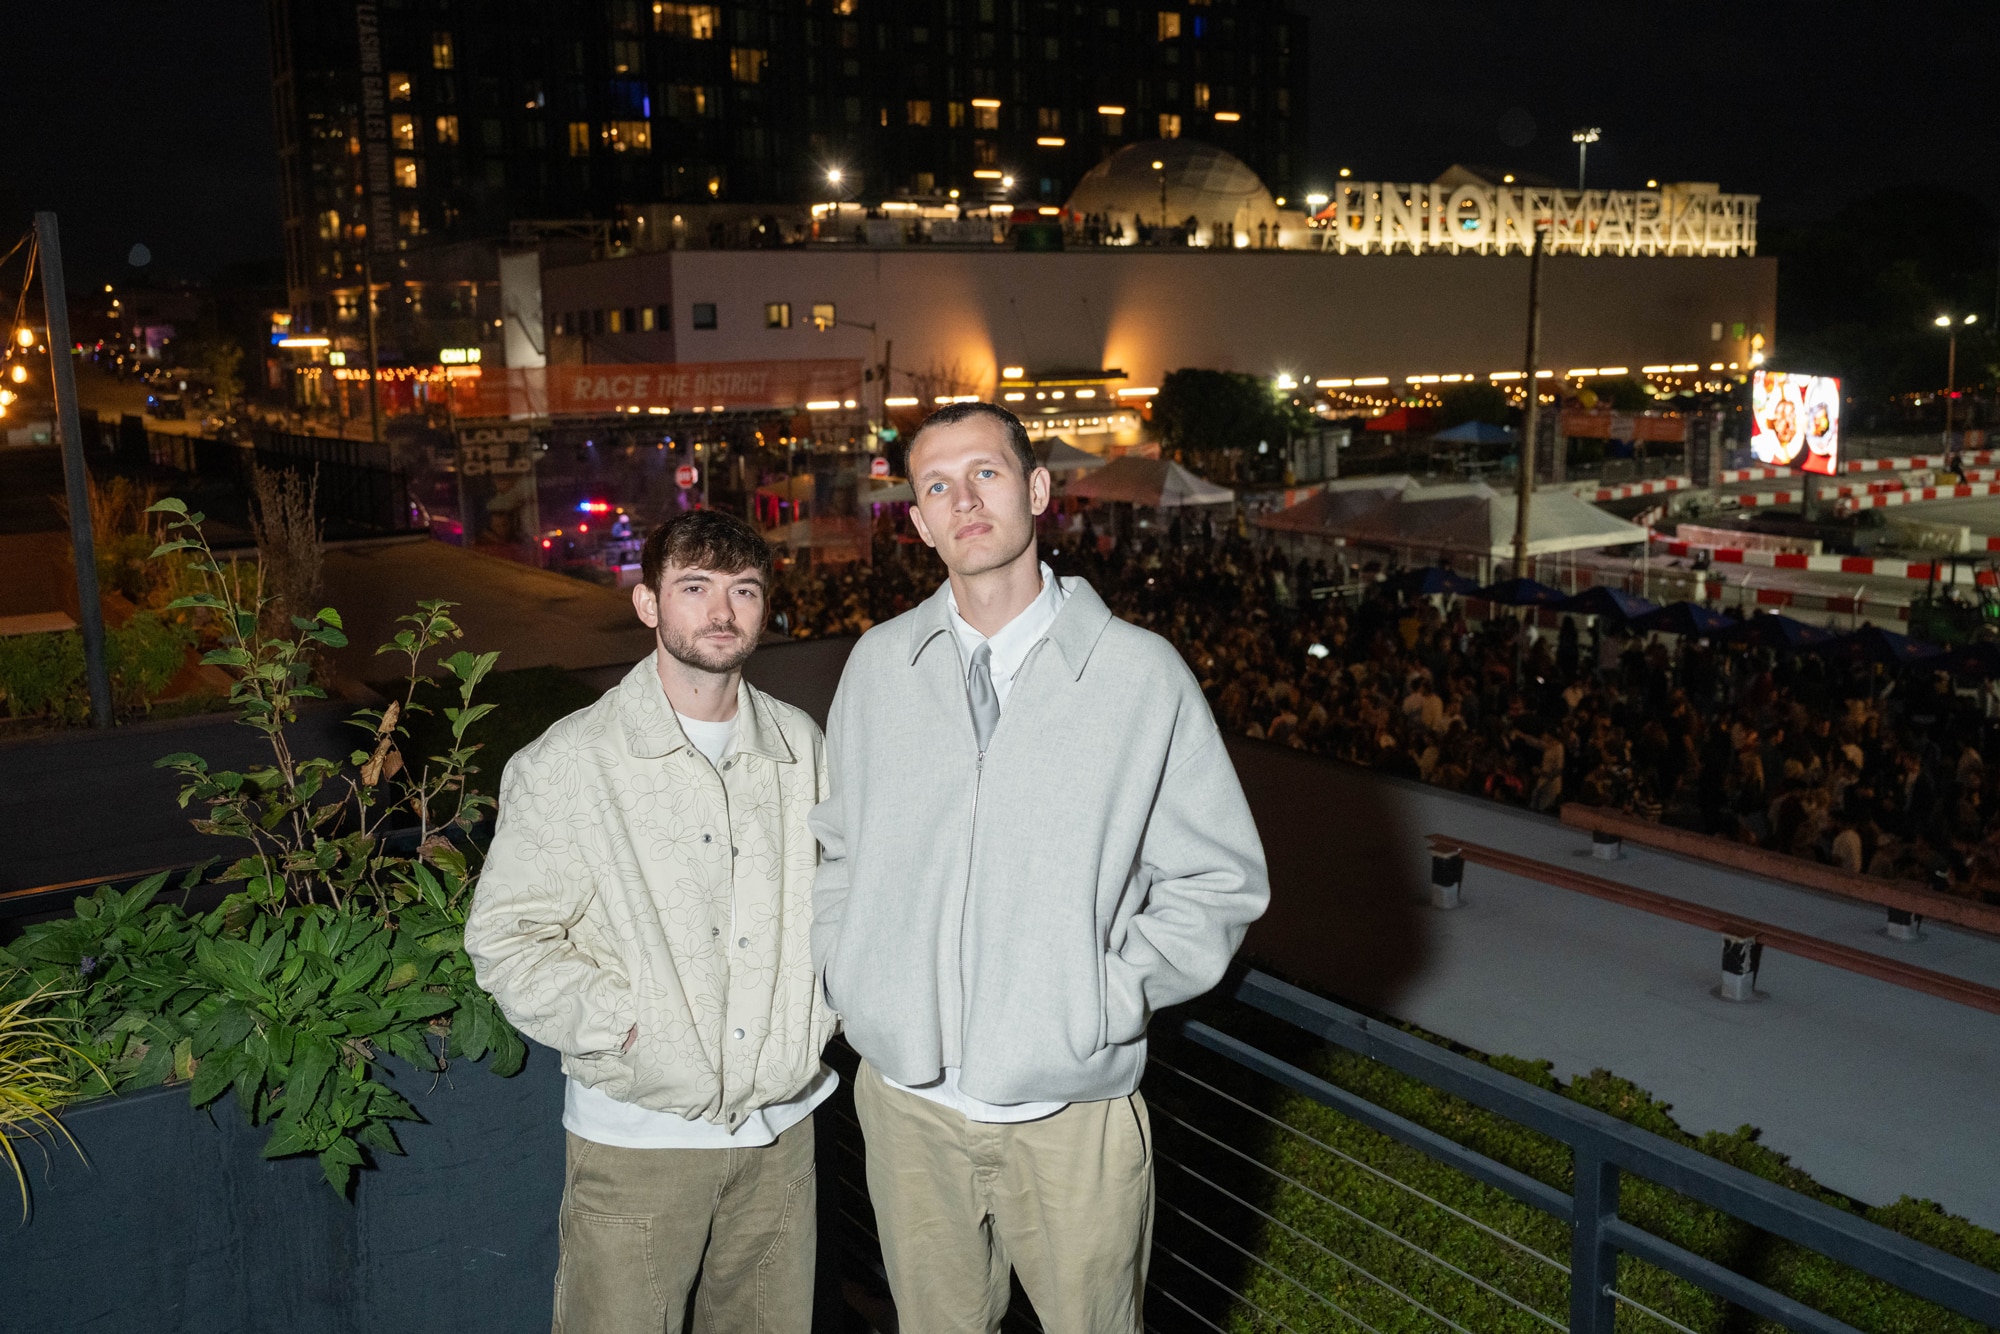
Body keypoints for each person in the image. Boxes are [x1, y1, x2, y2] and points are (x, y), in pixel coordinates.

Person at [810, 401, 1269, 1334]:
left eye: (985, 473)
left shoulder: (1141, 676)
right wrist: (850, 978)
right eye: (937, 485)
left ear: (1038, 490)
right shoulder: (879, 666)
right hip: (905, 1110)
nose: (964, 499)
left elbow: (1219, 880)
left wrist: (1105, 1000)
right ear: (918, 522)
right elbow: (839, 850)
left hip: (1071, 1116)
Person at [466, 511, 835, 1334]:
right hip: (639, 1137)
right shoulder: (572, 760)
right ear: (647, 604)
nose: (722, 611)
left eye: (744, 590)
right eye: (695, 587)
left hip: (782, 1132)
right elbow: (508, 937)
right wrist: (629, 1026)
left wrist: (822, 1010)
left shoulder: (802, 746)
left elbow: (841, 901)